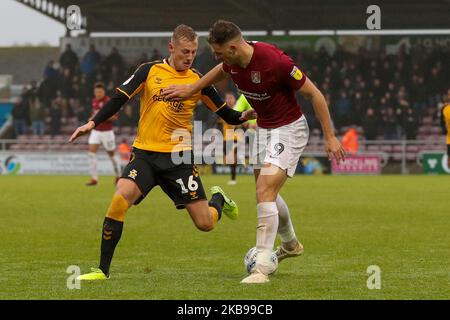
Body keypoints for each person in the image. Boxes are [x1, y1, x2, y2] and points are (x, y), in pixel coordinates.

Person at [162, 20, 345, 283]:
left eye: (220, 52)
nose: (217, 57)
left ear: (234, 48)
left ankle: (262, 266)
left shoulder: (276, 62)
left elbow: (314, 94)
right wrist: (191, 89)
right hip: (263, 128)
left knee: (265, 192)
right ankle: (291, 244)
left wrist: (330, 136)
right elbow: (218, 71)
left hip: (289, 129)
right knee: (266, 192)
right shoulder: (232, 62)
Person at [69, 24, 247, 281]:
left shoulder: (198, 80)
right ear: (171, 48)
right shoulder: (149, 71)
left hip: (179, 159)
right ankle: (102, 270)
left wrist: (245, 116)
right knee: (120, 198)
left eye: (194, 52)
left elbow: (226, 114)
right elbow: (120, 98)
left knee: (205, 223)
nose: (189, 57)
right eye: (185, 51)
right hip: (145, 155)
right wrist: (93, 123)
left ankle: (219, 199)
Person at [85, 82, 121, 186]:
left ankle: (118, 176)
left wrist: (100, 117)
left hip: (107, 132)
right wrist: (91, 119)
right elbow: (94, 114)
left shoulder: (109, 102)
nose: (98, 94)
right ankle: (94, 179)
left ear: (104, 92)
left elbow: (114, 117)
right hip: (96, 131)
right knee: (91, 154)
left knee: (112, 155)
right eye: (96, 92)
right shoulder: (94, 101)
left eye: (100, 92)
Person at [440, 88, 450, 168]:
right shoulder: (445, 108)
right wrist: (444, 129)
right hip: (449, 140)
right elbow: (442, 123)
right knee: (449, 164)